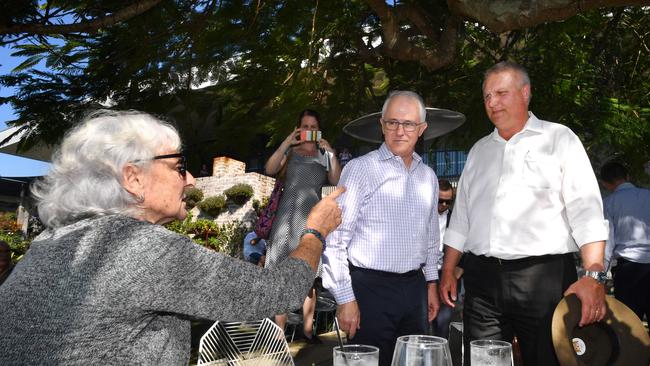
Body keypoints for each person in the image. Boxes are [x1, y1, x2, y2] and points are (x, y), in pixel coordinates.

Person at [0, 110, 344, 365]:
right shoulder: (140, 250)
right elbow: (276, 293)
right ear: (133, 178)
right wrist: (314, 231)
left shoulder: (48, 243)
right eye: (179, 166)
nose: (191, 180)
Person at [439, 61, 609, 366]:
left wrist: (594, 275)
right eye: (487, 96)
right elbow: (461, 218)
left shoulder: (560, 139)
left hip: (544, 280)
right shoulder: (478, 151)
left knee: (547, 359)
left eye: (501, 93)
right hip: (482, 282)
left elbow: (587, 212)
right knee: (482, 362)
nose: (492, 102)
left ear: (525, 93)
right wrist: (449, 270)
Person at [322, 91, 441, 366]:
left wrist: (431, 284)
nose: (400, 131)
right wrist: (345, 298)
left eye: (409, 124)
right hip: (369, 291)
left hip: (414, 290)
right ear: (381, 124)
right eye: (392, 123)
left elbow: (431, 237)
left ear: (421, 129)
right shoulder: (360, 169)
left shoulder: (429, 177)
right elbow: (337, 239)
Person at [264, 109, 342, 343]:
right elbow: (269, 169)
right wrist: (288, 141)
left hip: (311, 221)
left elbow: (337, 181)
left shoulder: (323, 154)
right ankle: (278, 335)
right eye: (305, 126)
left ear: (319, 130)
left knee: (308, 280)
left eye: (313, 126)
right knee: (281, 276)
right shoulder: (291, 151)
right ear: (299, 128)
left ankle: (308, 332)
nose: (309, 130)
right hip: (285, 221)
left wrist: (332, 153)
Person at [600, 161, 650, 322]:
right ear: (627, 176)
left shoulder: (609, 203)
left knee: (631, 327)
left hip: (629, 270)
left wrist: (600, 278)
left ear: (605, 184)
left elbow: (607, 244)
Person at [431, 179, 462, 339]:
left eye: (447, 202)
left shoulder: (456, 222)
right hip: (423, 277)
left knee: (442, 325)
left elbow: (467, 247)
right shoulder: (421, 217)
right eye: (439, 200)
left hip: (446, 276)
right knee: (422, 323)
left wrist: (456, 273)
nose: (443, 205)